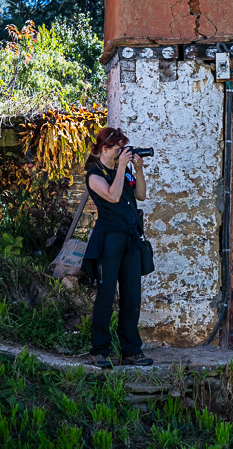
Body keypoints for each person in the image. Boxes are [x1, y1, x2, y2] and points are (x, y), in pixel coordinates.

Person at [83, 126, 153, 368]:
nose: (121, 152)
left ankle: (131, 350)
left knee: (132, 296)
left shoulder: (126, 172)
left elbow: (141, 195)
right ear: (104, 148)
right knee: (105, 296)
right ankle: (99, 350)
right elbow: (112, 197)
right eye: (117, 148)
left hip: (130, 239)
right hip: (109, 241)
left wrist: (139, 169)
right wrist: (122, 166)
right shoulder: (94, 175)